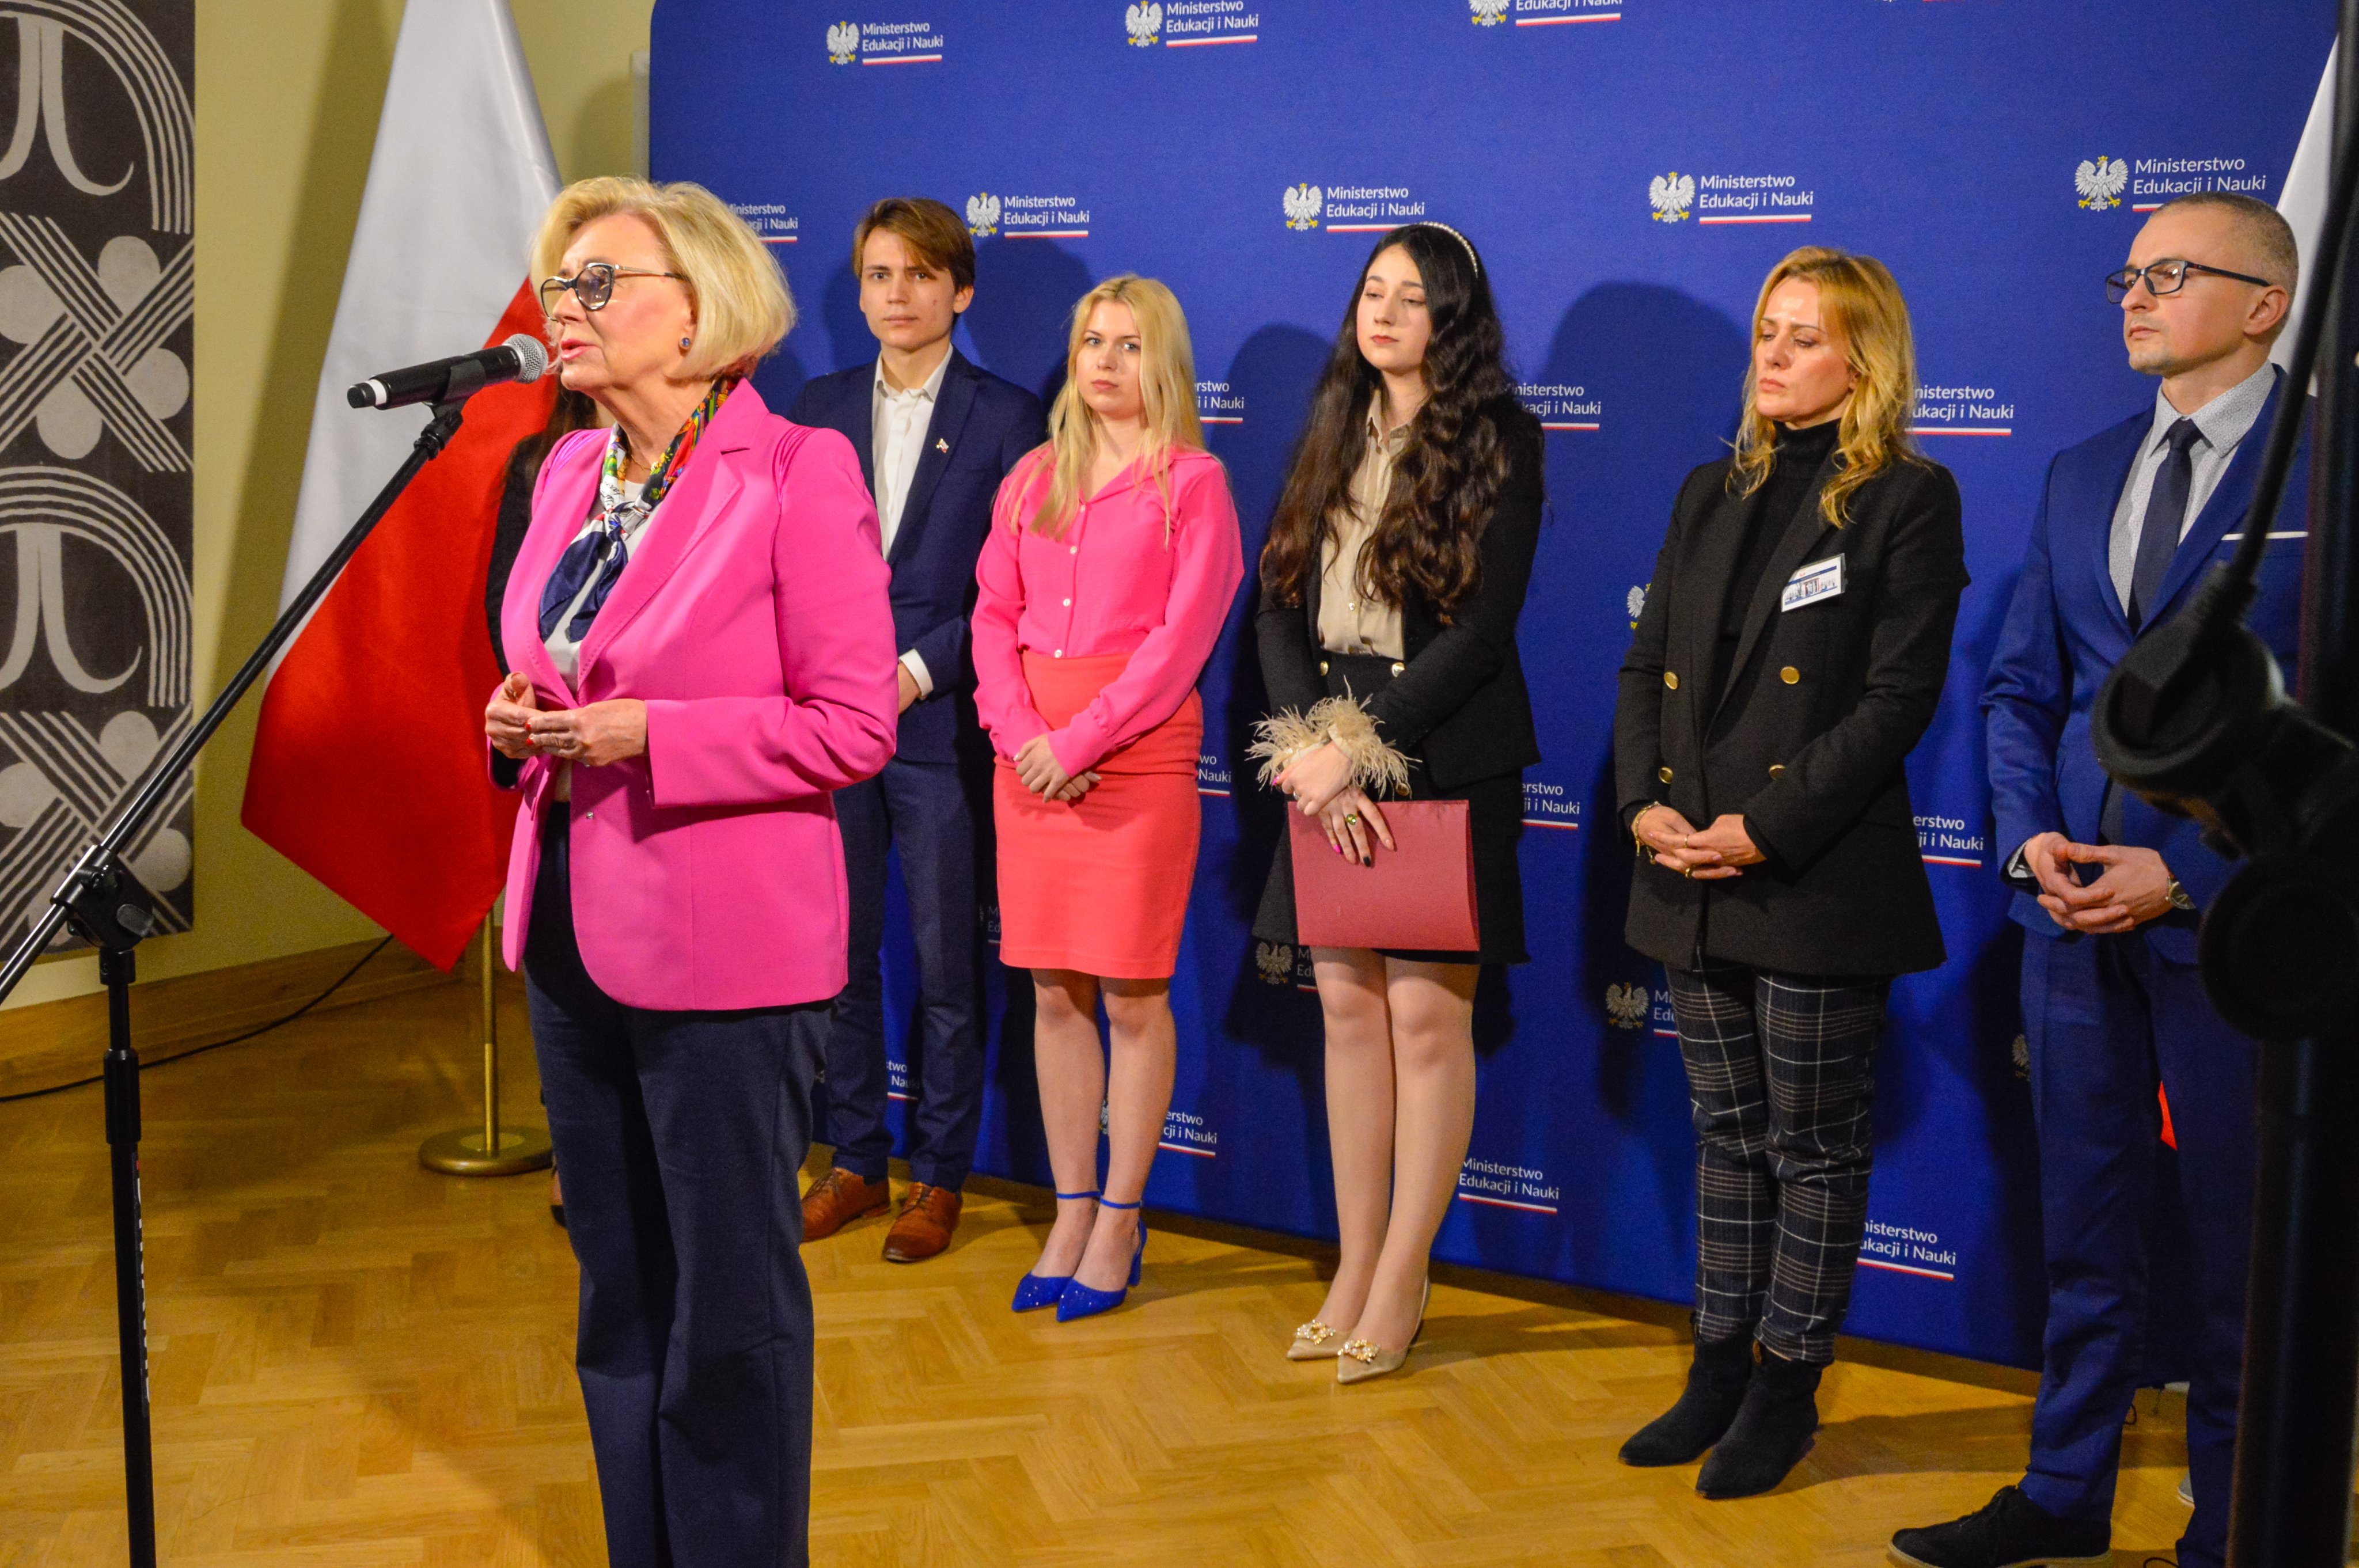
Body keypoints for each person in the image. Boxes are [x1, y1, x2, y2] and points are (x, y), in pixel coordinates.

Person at [482, 176, 897, 1568]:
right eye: (560, 283)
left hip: (725, 954)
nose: (566, 307)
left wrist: (650, 735)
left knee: (728, 1314)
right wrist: (516, 716)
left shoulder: (795, 471)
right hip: (567, 931)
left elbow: (852, 725)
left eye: (600, 283)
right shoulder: (563, 473)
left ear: (700, 312)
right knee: (619, 1298)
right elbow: (552, 665)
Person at [1892, 193, 2305, 1568]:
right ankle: (2063, 1494)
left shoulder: (2322, 476)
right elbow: (2019, 690)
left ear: (2263, 304)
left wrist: (2180, 872)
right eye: (2125, 275)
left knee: (2240, 1251)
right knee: (2081, 1229)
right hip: (2064, 920)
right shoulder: (2079, 470)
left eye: (2168, 273)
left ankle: (2232, 1529)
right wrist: (2028, 841)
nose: (2132, 295)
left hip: (2235, 931)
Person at [1613, 246, 1967, 1498]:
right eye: (1767, 329)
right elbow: (1644, 665)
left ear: (1864, 362)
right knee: (1723, 1133)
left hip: (1810, 875)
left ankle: (1785, 1389)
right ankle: (1715, 1367)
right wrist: (1643, 807)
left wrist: (1762, 827)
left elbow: (1894, 701)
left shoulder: (1909, 497)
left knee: (1811, 1147)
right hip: (1687, 871)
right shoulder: (1710, 486)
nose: (1772, 353)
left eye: (1803, 336)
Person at [1250, 222, 1544, 1385]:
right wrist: (1311, 745)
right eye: (1372, 291)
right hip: (1321, 756)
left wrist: (1361, 749)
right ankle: (1354, 1263)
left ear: (1451, 319)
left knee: (1425, 1022)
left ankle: (1403, 1275)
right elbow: (1277, 600)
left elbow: (1482, 631)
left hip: (1437, 751)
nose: (1382, 313)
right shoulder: (1331, 419)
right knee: (1344, 1014)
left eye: (1410, 298)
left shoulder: (1501, 438)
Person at [972, 274, 1243, 1323]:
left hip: (1134, 757)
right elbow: (992, 618)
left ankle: (1124, 1218)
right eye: (1093, 340)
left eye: (1130, 345)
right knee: (1053, 993)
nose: (1106, 361)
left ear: (1162, 363)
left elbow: (1181, 642)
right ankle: (1071, 1210)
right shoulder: (1031, 476)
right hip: (1029, 757)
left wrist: (1080, 740)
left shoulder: (1196, 485)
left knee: (1131, 996)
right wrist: (1023, 738)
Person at [789, 199, 1047, 1262]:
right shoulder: (815, 408)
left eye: (921, 275)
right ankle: (854, 1160)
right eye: (879, 275)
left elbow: (1011, 587)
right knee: (840, 959)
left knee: (945, 967)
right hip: (825, 729)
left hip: (938, 730)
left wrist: (911, 672)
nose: (898, 294)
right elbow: (787, 564)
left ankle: (939, 1177)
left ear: (961, 290)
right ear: (858, 291)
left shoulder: (1010, 417)